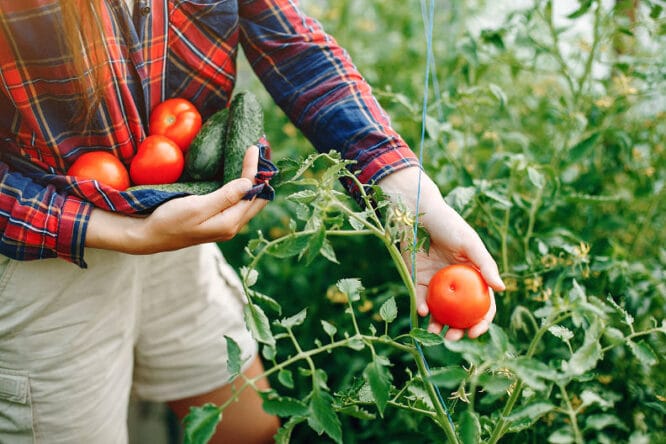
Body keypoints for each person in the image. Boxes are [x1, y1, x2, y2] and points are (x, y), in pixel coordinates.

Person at [0, 1, 505, 443]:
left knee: (249, 429)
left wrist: (408, 192)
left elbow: (292, 42)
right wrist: (125, 233)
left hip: (174, 224)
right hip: (44, 254)